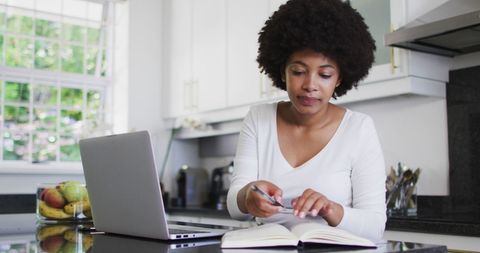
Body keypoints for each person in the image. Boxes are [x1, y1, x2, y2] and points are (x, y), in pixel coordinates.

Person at [226, 0, 386, 242]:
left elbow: (375, 226)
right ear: (282, 72)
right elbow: (234, 204)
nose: (310, 85)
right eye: (298, 71)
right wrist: (247, 196)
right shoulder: (259, 119)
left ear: (340, 77)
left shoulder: (359, 128)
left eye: (324, 74)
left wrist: (330, 209)